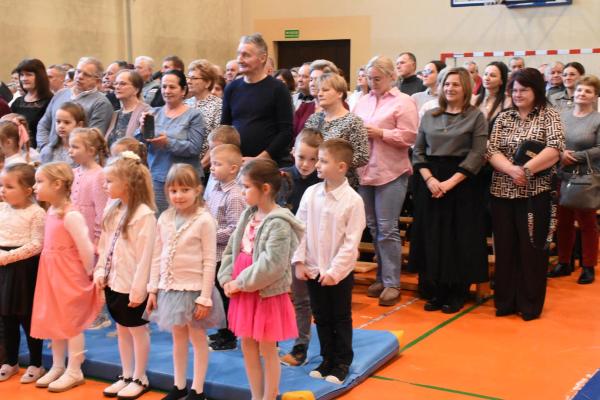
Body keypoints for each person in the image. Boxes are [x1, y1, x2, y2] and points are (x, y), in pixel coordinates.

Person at [218, 159, 303, 400]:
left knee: (267, 348)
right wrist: (226, 277)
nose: (242, 192)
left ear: (265, 188)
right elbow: (232, 249)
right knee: (247, 345)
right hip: (244, 290)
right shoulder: (249, 214)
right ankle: (256, 396)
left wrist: (239, 283)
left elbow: (271, 265)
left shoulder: (279, 223)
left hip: (264, 292)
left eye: (246, 187)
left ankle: (269, 396)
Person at [487, 67, 565, 321]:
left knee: (532, 249)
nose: (518, 94)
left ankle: (529, 304)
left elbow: (555, 148)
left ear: (536, 91)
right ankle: (505, 301)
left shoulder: (549, 115)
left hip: (535, 194)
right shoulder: (503, 117)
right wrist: (511, 170)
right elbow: (491, 150)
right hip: (502, 191)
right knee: (505, 249)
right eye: (514, 90)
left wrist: (526, 170)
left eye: (524, 89)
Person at [410, 67, 489, 314]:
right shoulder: (430, 115)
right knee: (434, 236)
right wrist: (430, 179)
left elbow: (477, 154)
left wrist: (450, 183)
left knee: (458, 238)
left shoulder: (476, 116)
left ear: (466, 88)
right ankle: (437, 289)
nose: (450, 88)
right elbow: (418, 151)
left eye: (455, 84)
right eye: (446, 84)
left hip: (462, 183)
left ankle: (458, 291)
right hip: (430, 181)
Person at [146, 164, 225, 400]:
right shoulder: (165, 218)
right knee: (177, 339)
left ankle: (197, 390)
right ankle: (179, 385)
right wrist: (153, 289)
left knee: (198, 339)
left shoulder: (204, 220)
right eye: (173, 190)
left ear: (197, 190)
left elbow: (209, 261)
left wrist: (204, 297)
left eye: (185, 190)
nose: (178, 196)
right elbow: (157, 256)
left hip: (194, 291)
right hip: (170, 289)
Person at [293, 138, 366, 384]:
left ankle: (342, 362)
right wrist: (299, 261)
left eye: (323, 161)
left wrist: (335, 271)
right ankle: (326, 358)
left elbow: (351, 243)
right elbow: (300, 229)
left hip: (338, 273)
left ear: (342, 167)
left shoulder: (353, 201)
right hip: (313, 268)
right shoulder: (311, 193)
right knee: (321, 316)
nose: (317, 165)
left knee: (340, 316)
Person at [31, 162, 102, 392]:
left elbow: (86, 248)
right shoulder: (51, 211)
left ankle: (74, 369)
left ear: (57, 184)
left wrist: (88, 272)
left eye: (39, 181)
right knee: (55, 319)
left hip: (69, 274)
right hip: (51, 272)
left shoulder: (71, 215)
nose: (35, 186)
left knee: (71, 322)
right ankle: (58, 365)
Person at [354, 55, 418, 306]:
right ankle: (381, 277)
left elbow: (410, 137)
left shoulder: (404, 102)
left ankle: (392, 283)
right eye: (370, 78)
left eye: (377, 78)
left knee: (387, 228)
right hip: (365, 172)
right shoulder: (362, 101)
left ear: (392, 77)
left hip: (391, 172)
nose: (373, 83)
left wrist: (381, 133)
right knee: (373, 228)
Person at [93, 153, 157, 398]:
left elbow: (146, 257)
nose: (105, 185)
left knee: (137, 331)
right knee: (122, 329)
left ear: (127, 184)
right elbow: (104, 245)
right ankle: (127, 373)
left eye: (109, 181)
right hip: (114, 281)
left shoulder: (144, 215)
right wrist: (101, 270)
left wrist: (139, 290)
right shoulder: (113, 208)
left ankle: (140, 377)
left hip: (132, 285)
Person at [278, 128, 323, 367]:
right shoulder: (282, 177)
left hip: (308, 249)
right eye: (301, 157)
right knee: (274, 295)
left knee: (302, 299)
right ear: (293, 152)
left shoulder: (322, 182)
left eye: (313, 159)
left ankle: (300, 347)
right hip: (280, 246)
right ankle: (270, 339)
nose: (306, 164)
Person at [550, 75, 600, 284]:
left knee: (587, 222)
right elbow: (553, 140)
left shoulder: (597, 119)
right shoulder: (562, 116)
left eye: (588, 91)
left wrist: (576, 156)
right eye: (579, 90)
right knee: (563, 222)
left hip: (585, 176)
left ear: (595, 96)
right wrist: (561, 153)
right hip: (562, 174)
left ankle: (588, 265)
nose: (582, 94)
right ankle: (564, 262)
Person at [0, 163, 46, 384]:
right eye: (2, 186)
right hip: (3, 267)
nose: (3, 190)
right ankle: (11, 361)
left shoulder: (36, 212)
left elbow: (37, 244)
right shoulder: (2, 208)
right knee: (5, 317)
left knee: (27, 317)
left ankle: (36, 363)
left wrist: (8, 257)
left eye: (9, 186)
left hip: (23, 269)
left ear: (28, 190)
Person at [137, 69, 206, 213]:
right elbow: (139, 144)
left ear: (183, 90)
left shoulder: (194, 116)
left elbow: (194, 148)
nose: (167, 91)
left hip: (186, 182)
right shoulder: (153, 113)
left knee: (187, 220)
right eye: (164, 87)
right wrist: (142, 130)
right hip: (158, 179)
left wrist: (167, 143)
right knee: (160, 221)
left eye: (172, 87)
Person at [221, 33, 294, 166]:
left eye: (246, 55)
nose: (240, 59)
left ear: (262, 58)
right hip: (238, 163)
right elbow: (225, 128)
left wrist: (261, 158)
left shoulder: (278, 88)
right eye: (239, 54)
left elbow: (286, 132)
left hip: (270, 163)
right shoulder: (232, 88)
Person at [205, 144, 246, 352]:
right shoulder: (214, 189)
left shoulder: (235, 195)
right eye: (212, 163)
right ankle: (222, 331)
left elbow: (235, 230)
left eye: (217, 164)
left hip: (224, 255)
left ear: (233, 168)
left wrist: (209, 236)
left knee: (225, 296)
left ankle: (229, 336)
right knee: (216, 297)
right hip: (212, 253)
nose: (212, 168)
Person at [304, 73, 369, 188]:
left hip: (340, 184)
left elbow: (362, 156)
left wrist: (334, 162)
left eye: (325, 90)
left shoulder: (353, 121)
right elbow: (306, 144)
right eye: (319, 90)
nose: (320, 94)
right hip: (312, 181)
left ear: (340, 93)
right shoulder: (314, 119)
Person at [36, 57, 113, 150]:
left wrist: (71, 152)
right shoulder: (60, 94)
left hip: (78, 155)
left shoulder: (101, 103)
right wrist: (46, 147)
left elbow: (94, 137)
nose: (79, 76)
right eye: (78, 71)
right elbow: (43, 125)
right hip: (50, 152)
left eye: (86, 75)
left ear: (97, 81)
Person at [184, 59, 222, 168]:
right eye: (188, 77)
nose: (189, 81)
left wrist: (200, 167)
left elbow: (217, 141)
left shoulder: (218, 105)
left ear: (208, 83)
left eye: (194, 78)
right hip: (184, 165)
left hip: (206, 168)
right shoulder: (185, 103)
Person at [11, 58, 54, 149]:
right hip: (18, 150)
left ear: (40, 77)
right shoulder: (17, 102)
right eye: (22, 75)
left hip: (41, 150)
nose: (24, 79)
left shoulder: (50, 101)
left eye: (29, 75)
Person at [105, 69, 150, 148]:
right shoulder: (116, 114)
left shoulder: (146, 112)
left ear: (136, 89)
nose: (117, 87)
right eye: (116, 84)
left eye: (123, 84)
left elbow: (147, 142)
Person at [293, 60, 339, 137]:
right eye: (311, 79)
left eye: (317, 79)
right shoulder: (304, 107)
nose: (312, 84)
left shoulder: (339, 108)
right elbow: (292, 134)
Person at [40, 102, 85, 166]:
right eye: (58, 122)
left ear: (79, 125)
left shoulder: (85, 152)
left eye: (67, 122)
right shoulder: (48, 151)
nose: (61, 126)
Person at [473, 61, 512, 126]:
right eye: (485, 74)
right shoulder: (473, 100)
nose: (487, 78)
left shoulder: (508, 103)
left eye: (492, 75)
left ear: (501, 81)